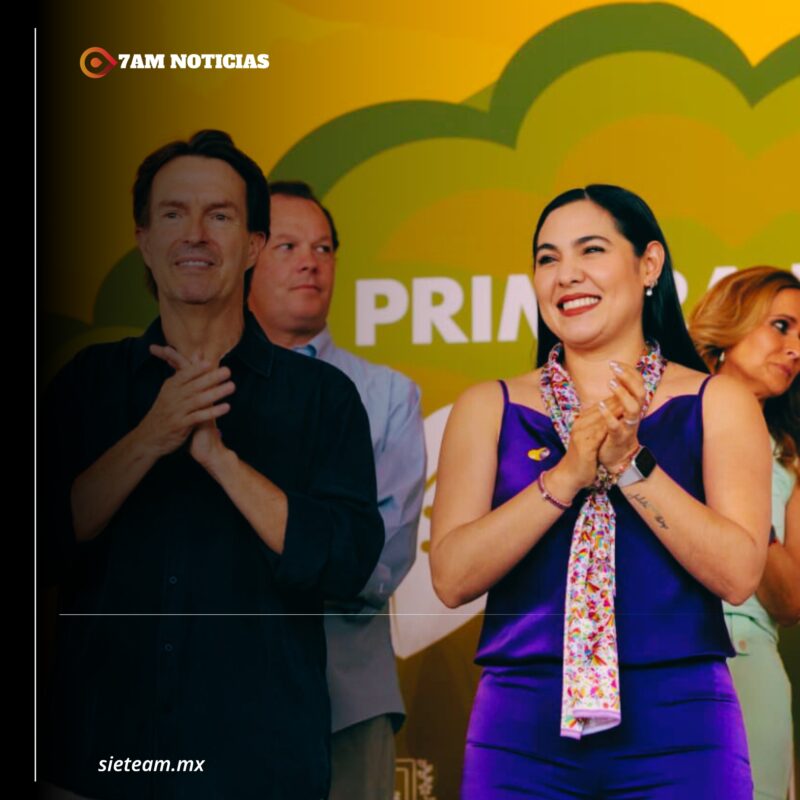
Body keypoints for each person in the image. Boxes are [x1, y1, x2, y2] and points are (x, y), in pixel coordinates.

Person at [39, 131, 384, 800]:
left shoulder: (322, 396)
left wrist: (220, 461)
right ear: (143, 239)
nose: (194, 234)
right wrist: (151, 436)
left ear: (253, 244)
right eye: (173, 214)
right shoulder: (88, 384)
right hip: (100, 763)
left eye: (219, 216)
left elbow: (346, 563)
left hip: (259, 769)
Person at [430, 184, 771, 799]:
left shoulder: (718, 401)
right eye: (548, 258)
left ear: (649, 264)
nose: (566, 275)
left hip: (682, 720)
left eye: (591, 250)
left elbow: (739, 573)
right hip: (520, 727)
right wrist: (565, 477)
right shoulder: (487, 407)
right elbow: (451, 578)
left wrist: (631, 465)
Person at [249, 181, 426, 800]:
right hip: (214, 691)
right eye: (288, 246)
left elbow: (378, 563)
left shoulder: (386, 394)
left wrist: (263, 566)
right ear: (245, 255)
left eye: (323, 248)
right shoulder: (201, 387)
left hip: (346, 698)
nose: (310, 262)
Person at [689, 266, 799, 800]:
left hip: (746, 652)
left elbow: (791, 600)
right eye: (781, 326)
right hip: (647, 654)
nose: (795, 349)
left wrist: (750, 515)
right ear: (730, 323)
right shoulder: (653, 420)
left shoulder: (791, 460)